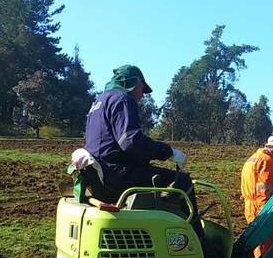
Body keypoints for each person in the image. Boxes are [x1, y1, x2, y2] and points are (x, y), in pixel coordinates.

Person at [84, 64, 203, 237]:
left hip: (99, 174)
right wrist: (168, 152)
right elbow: (130, 141)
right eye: (142, 89)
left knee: (155, 177)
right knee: (182, 181)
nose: (141, 95)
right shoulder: (122, 100)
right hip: (116, 174)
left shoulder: (99, 102)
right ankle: (197, 242)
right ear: (135, 83)